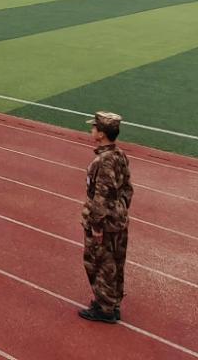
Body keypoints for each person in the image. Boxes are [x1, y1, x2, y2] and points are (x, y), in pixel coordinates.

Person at [79, 112, 133, 324]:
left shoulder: (104, 161)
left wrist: (97, 226)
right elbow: (128, 189)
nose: (91, 130)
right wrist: (120, 210)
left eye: (94, 128)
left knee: (98, 263)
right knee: (116, 263)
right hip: (118, 219)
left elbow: (101, 197)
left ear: (101, 134)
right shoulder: (120, 155)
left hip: (105, 223)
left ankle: (105, 308)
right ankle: (112, 303)